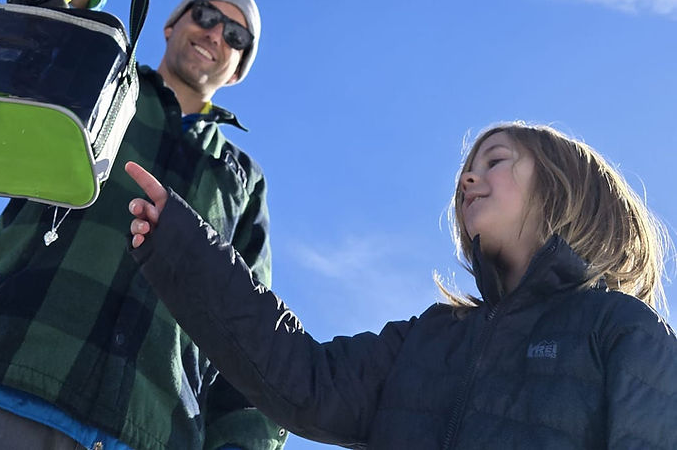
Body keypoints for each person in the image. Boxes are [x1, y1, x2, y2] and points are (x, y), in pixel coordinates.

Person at [0, 0, 285, 450]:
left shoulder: (241, 182)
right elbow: (33, 59)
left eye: (236, 36)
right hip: (3, 378)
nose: (216, 33)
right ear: (170, 23)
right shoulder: (103, 77)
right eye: (206, 14)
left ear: (238, 70)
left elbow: (250, 331)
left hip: (146, 433)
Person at [127, 122, 677, 449]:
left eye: (496, 161)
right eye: (467, 167)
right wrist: (183, 247)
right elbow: (305, 380)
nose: (467, 178)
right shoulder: (429, 338)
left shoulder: (618, 330)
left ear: (563, 188)